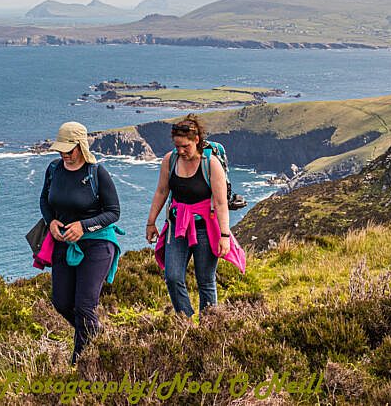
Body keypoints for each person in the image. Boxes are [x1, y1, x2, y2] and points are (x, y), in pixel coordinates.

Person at [37, 121, 122, 363]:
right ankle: (97, 336)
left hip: (97, 244)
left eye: (69, 149)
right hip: (63, 243)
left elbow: (113, 212)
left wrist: (83, 226)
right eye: (61, 150)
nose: (65, 154)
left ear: (81, 146)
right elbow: (45, 199)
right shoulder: (54, 169)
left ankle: (80, 362)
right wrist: (51, 221)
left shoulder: (96, 173)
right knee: (62, 302)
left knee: (84, 306)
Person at [145, 114, 245, 318]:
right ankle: (186, 320)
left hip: (205, 228)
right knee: (172, 277)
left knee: (205, 280)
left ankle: (209, 325)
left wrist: (224, 236)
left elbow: (220, 203)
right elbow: (162, 191)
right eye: (177, 146)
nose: (180, 151)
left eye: (185, 146)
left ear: (196, 140)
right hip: (177, 226)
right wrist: (151, 222)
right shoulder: (170, 159)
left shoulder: (211, 163)